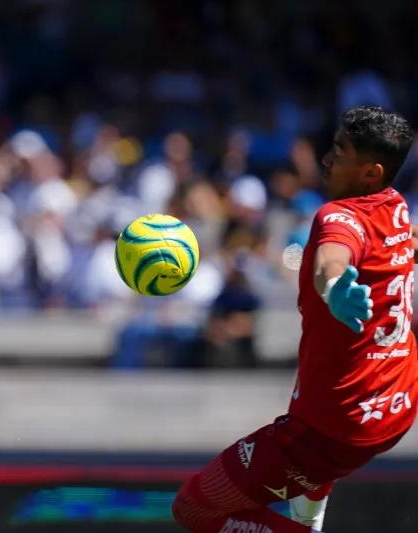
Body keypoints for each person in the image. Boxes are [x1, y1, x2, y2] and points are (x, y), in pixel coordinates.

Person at [171, 105, 417, 533]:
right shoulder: (395, 208)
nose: (326, 159)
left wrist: (334, 286)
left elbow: (331, 257)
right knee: (311, 426)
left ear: (371, 173)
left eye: (340, 151)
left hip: (333, 427)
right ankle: (310, 515)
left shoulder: (336, 217)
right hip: (397, 403)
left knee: (193, 509)